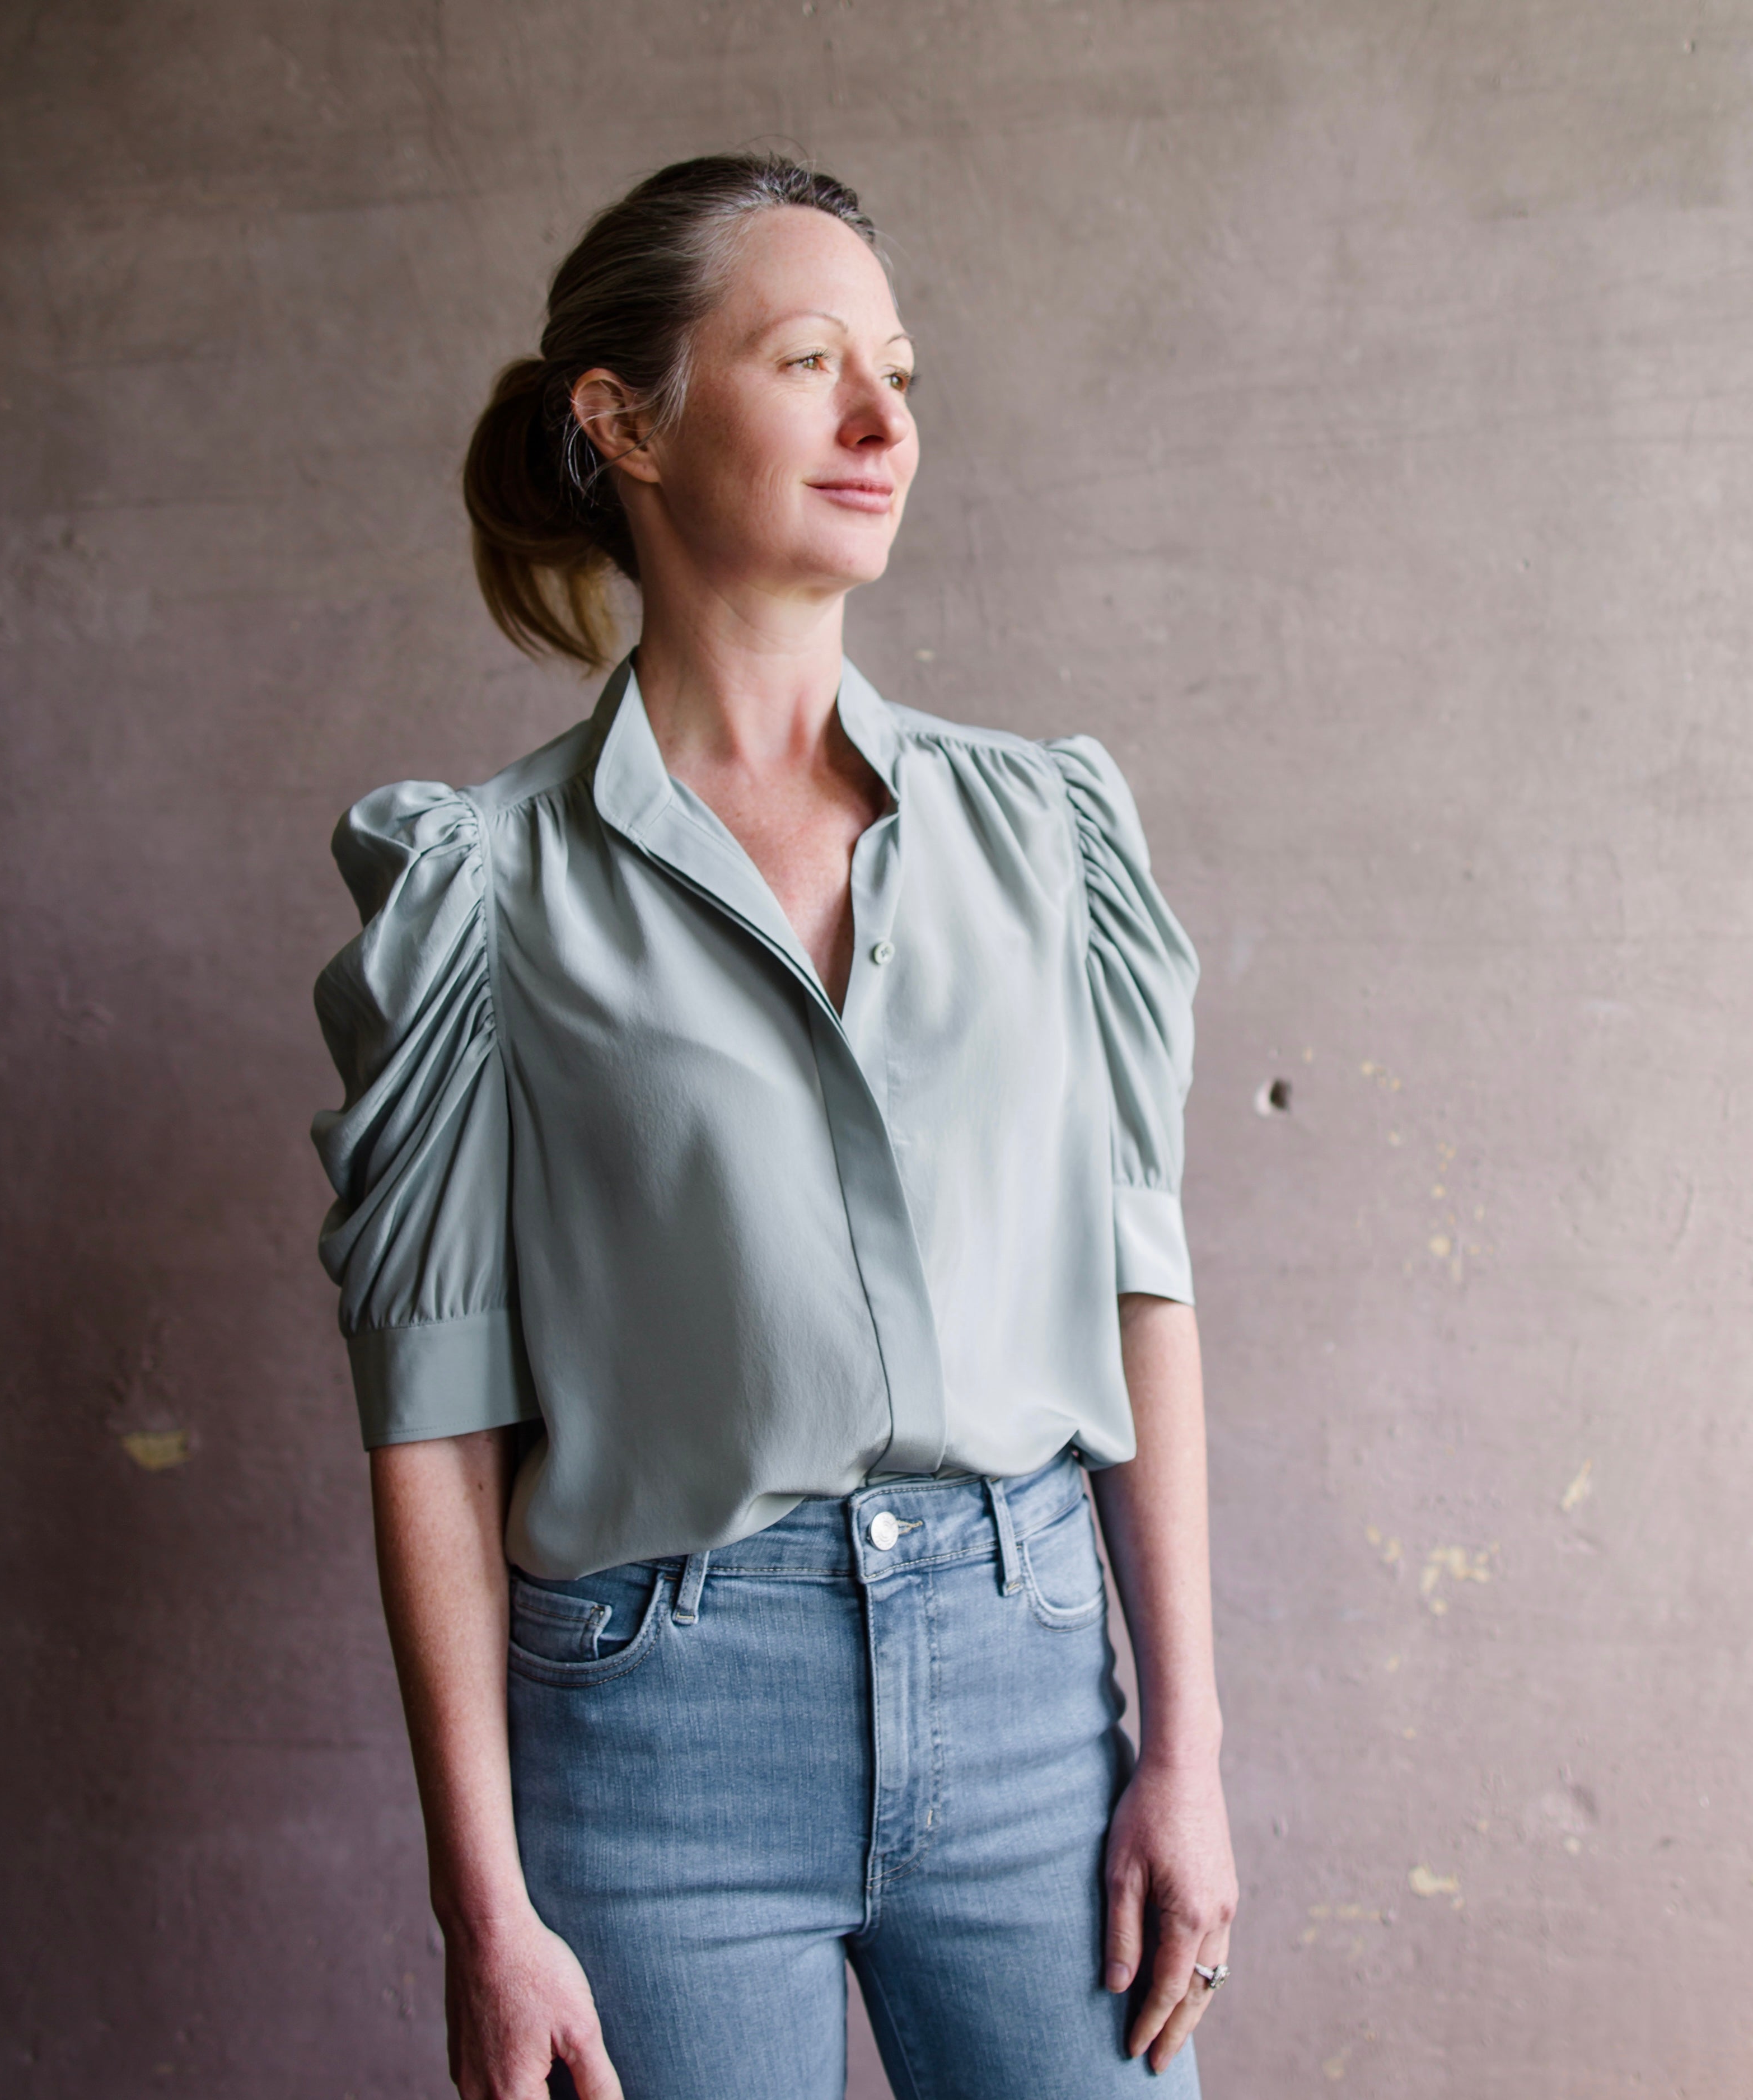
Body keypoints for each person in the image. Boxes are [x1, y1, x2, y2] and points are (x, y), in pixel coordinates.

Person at [311, 152, 1236, 2100]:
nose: (886, 423)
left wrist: (1188, 1753)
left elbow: (1145, 1298)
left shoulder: (1051, 837)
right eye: (812, 361)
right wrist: (485, 1908)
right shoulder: (480, 893)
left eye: (899, 370)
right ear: (623, 420)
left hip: (1028, 1700)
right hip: (660, 1746)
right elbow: (433, 1420)